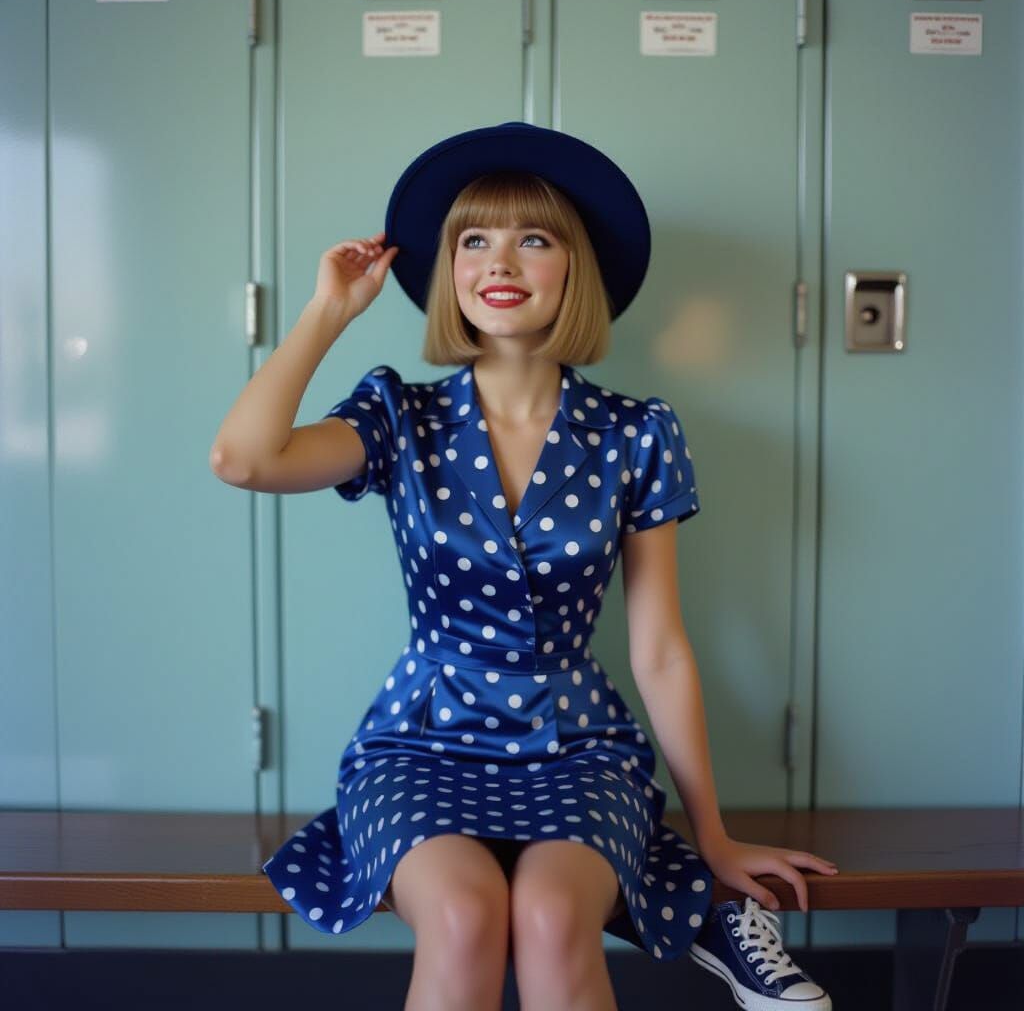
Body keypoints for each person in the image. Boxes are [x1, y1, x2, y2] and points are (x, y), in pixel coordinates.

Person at [211, 122, 839, 1011]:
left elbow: (659, 648)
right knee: (465, 917)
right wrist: (328, 313)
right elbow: (243, 459)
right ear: (449, 271)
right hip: (421, 742)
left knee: (549, 916)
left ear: (573, 267)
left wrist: (715, 836)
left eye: (532, 239)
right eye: (475, 240)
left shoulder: (636, 432)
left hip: (575, 745)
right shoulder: (400, 413)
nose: (498, 261)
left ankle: (717, 915)